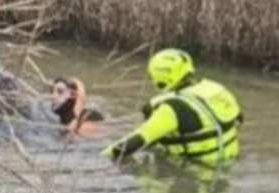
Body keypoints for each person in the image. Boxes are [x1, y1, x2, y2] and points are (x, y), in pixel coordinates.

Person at [103, 49, 243, 166]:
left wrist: (101, 158)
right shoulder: (216, 89)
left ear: (161, 77)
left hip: (196, 170)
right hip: (228, 162)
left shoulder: (171, 108)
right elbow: (239, 119)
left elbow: (131, 145)